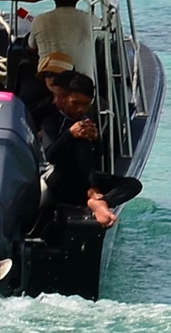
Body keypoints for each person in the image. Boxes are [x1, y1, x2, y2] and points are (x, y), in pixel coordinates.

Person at [37, 69, 123, 230]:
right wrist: (70, 134)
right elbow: (51, 156)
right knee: (80, 141)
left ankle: (101, 202)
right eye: (75, 103)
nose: (80, 109)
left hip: (81, 179)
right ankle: (93, 192)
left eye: (85, 104)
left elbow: (97, 157)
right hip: (59, 177)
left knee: (132, 185)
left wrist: (96, 139)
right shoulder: (51, 120)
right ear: (65, 98)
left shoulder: (86, 120)